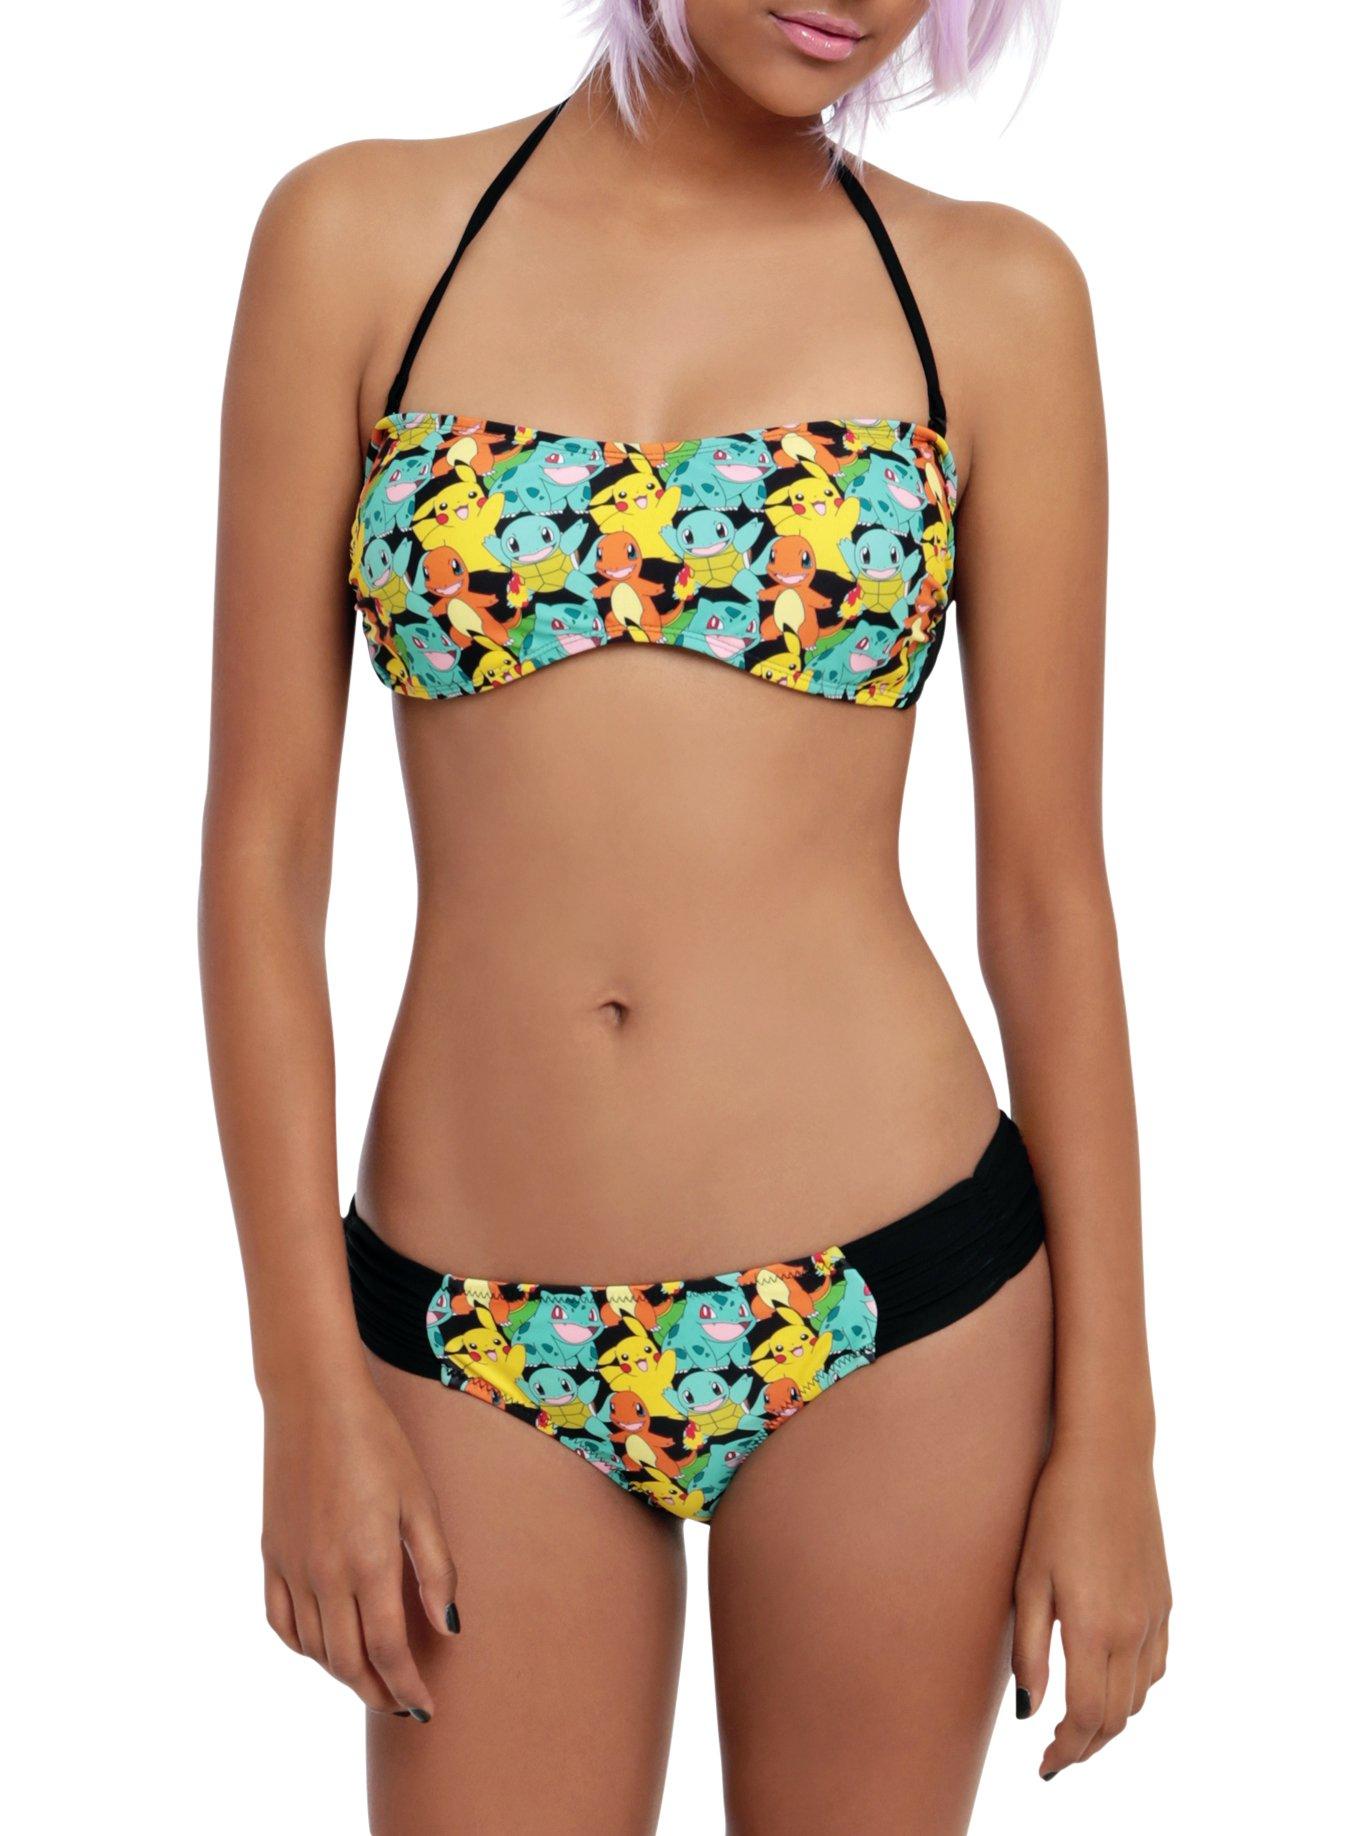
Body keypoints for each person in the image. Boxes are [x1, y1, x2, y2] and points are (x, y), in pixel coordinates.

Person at [201, 3, 1171, 1829]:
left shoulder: (996, 299)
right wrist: (301, 1381)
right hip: (470, 1327)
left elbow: (1050, 900)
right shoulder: (355, 241)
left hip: (898, 1305)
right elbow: (260, 861)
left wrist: (1113, 1438)